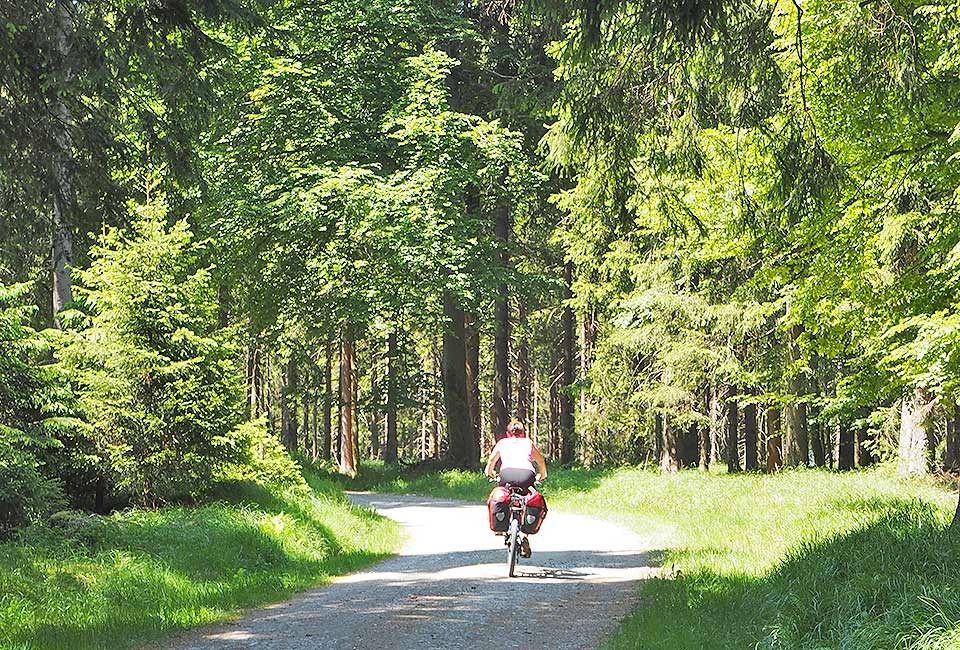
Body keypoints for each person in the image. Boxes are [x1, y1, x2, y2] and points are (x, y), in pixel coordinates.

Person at [484, 419, 547, 490]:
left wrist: (490, 472)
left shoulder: (502, 442)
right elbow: (541, 460)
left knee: (503, 493)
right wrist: (542, 474)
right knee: (530, 495)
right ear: (523, 433)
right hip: (527, 475)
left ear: (507, 434)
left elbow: (492, 460)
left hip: (506, 474)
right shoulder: (528, 442)